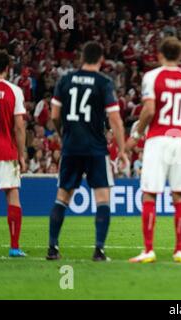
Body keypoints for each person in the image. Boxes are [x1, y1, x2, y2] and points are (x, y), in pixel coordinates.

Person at [46, 41, 127, 261]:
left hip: (71, 147)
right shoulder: (103, 82)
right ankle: (99, 250)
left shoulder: (65, 79)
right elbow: (115, 120)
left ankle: (52, 248)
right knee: (102, 198)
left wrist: (65, 135)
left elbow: (54, 115)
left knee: (62, 196)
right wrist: (122, 150)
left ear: (82, 57)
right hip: (96, 148)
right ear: (101, 59)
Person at [127, 37, 181, 264]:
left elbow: (149, 110)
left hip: (158, 139)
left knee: (150, 194)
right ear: (180, 56)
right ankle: (179, 251)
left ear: (160, 55)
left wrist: (136, 134)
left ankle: (149, 250)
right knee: (179, 195)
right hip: (180, 141)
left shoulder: (152, 77)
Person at [0, 49, 27, 257]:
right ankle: (14, 246)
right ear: (7, 68)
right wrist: (21, 155)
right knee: (12, 194)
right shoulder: (14, 91)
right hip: (6, 150)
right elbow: (19, 127)